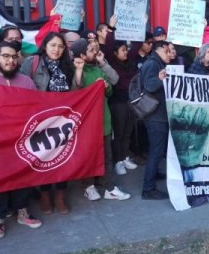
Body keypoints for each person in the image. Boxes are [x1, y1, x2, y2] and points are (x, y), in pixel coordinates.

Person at [0, 41, 44, 240]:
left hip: (22, 141)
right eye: (5, 56)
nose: (10, 60)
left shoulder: (26, 81)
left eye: (13, 56)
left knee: (22, 177)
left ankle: (23, 212)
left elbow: (35, 108)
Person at [20, 32, 83, 214]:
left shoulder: (67, 65)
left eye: (60, 46)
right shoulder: (32, 62)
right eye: (53, 45)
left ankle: (60, 196)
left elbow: (76, 92)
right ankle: (45, 195)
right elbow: (22, 88)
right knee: (43, 159)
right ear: (45, 46)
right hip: (39, 121)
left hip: (62, 122)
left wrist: (78, 71)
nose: (57, 49)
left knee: (62, 159)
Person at [71, 38, 130, 201]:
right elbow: (75, 93)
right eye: (90, 50)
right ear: (82, 55)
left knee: (106, 156)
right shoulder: (77, 69)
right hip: (87, 124)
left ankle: (108, 187)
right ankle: (88, 186)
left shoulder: (98, 68)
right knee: (88, 157)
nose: (94, 52)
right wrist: (79, 71)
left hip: (103, 120)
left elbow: (113, 84)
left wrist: (105, 85)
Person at [139, 40, 171, 200]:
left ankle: (154, 174)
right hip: (155, 116)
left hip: (157, 114)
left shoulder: (154, 63)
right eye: (167, 51)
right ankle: (148, 188)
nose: (170, 54)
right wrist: (160, 79)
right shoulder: (153, 64)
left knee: (157, 150)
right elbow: (150, 86)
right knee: (156, 150)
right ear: (159, 50)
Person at [108, 41, 139, 176]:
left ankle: (124, 156)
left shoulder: (130, 64)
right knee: (119, 134)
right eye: (122, 50)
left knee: (127, 133)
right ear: (115, 53)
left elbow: (136, 46)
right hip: (117, 103)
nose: (126, 52)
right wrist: (111, 29)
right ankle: (118, 161)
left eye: (126, 50)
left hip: (130, 102)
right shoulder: (112, 65)